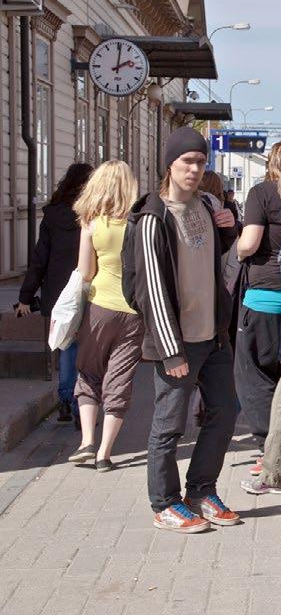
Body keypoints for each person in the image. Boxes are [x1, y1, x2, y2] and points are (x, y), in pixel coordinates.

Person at [128, 127, 240, 533]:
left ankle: (201, 490)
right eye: (187, 162)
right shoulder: (151, 218)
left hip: (213, 336)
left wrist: (229, 227)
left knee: (225, 413)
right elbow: (150, 290)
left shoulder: (207, 205)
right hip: (177, 342)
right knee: (168, 425)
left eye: (200, 161)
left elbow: (212, 260)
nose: (195, 169)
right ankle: (165, 503)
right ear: (170, 165)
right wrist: (169, 349)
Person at [68, 161, 144, 471]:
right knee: (120, 379)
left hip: (100, 307)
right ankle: (104, 454)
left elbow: (86, 272)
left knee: (88, 372)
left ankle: (87, 441)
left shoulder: (91, 223)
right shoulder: (139, 224)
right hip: (134, 311)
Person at [234, 141, 281, 456]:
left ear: (271, 162)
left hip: (263, 297)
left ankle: (270, 447)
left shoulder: (261, 193)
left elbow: (249, 243)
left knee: (255, 376)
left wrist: (232, 251)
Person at [16, 163, 93, 424]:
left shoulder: (51, 215)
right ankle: (83, 402)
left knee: (67, 346)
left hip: (58, 293)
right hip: (89, 289)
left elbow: (39, 260)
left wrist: (26, 296)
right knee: (88, 348)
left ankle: (65, 399)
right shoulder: (92, 215)